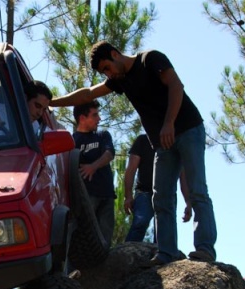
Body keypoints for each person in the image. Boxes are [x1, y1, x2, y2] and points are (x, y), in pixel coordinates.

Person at [50, 41, 217, 265]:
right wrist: (51, 102)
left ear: (114, 54)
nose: (108, 74)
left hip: (188, 129)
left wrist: (169, 123)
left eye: (107, 67)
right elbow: (87, 94)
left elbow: (176, 86)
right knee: (161, 197)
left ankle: (204, 249)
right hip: (162, 143)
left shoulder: (150, 59)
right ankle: (166, 252)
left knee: (197, 191)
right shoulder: (120, 81)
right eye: (103, 72)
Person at [123, 133, 191, 242]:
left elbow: (183, 178)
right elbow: (131, 169)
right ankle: (127, 255)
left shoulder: (177, 143)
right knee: (140, 223)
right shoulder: (143, 140)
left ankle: (163, 256)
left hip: (167, 195)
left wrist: (188, 202)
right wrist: (128, 196)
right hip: (144, 192)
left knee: (164, 232)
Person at [72, 100, 115, 246]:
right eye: (95, 115)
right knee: (83, 239)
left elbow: (109, 154)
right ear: (82, 118)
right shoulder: (72, 141)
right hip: (86, 198)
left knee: (105, 240)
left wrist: (93, 166)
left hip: (106, 194)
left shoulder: (102, 135)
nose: (99, 119)